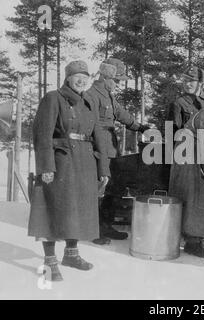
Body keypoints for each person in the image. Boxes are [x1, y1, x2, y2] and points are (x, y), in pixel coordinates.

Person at [28, 60, 110, 281]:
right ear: (68, 78)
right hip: (60, 162)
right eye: (76, 76)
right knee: (53, 210)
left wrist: (104, 168)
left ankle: (71, 255)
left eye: (85, 76)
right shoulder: (53, 98)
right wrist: (46, 166)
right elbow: (42, 134)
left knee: (78, 209)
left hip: (85, 163)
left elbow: (99, 137)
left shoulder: (89, 101)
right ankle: (50, 261)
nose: (81, 80)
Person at [87, 57, 150, 245]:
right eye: (117, 80)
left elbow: (121, 114)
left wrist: (140, 127)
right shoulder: (92, 94)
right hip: (98, 148)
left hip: (111, 147)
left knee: (113, 188)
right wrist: (98, 150)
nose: (118, 84)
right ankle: (94, 229)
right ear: (106, 76)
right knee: (99, 188)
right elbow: (91, 126)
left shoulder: (108, 94)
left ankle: (106, 225)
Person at [168, 66, 204, 257]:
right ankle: (191, 241)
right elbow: (172, 132)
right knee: (190, 196)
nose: (187, 83)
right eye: (185, 80)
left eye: (191, 80)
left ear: (201, 83)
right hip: (187, 154)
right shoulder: (178, 103)